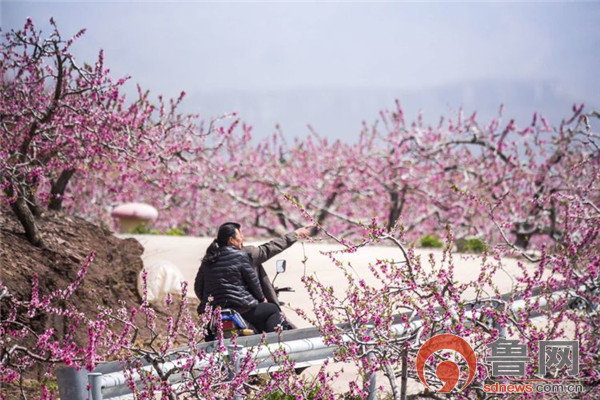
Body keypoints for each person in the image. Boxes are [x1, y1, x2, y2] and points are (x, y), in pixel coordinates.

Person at [195, 222, 293, 333]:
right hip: (243, 309)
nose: (243, 237)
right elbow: (253, 281)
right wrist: (262, 299)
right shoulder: (241, 255)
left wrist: (210, 302)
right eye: (241, 234)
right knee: (272, 310)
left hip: (215, 313)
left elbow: (198, 288)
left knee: (210, 332)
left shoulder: (208, 260)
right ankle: (274, 344)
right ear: (231, 240)